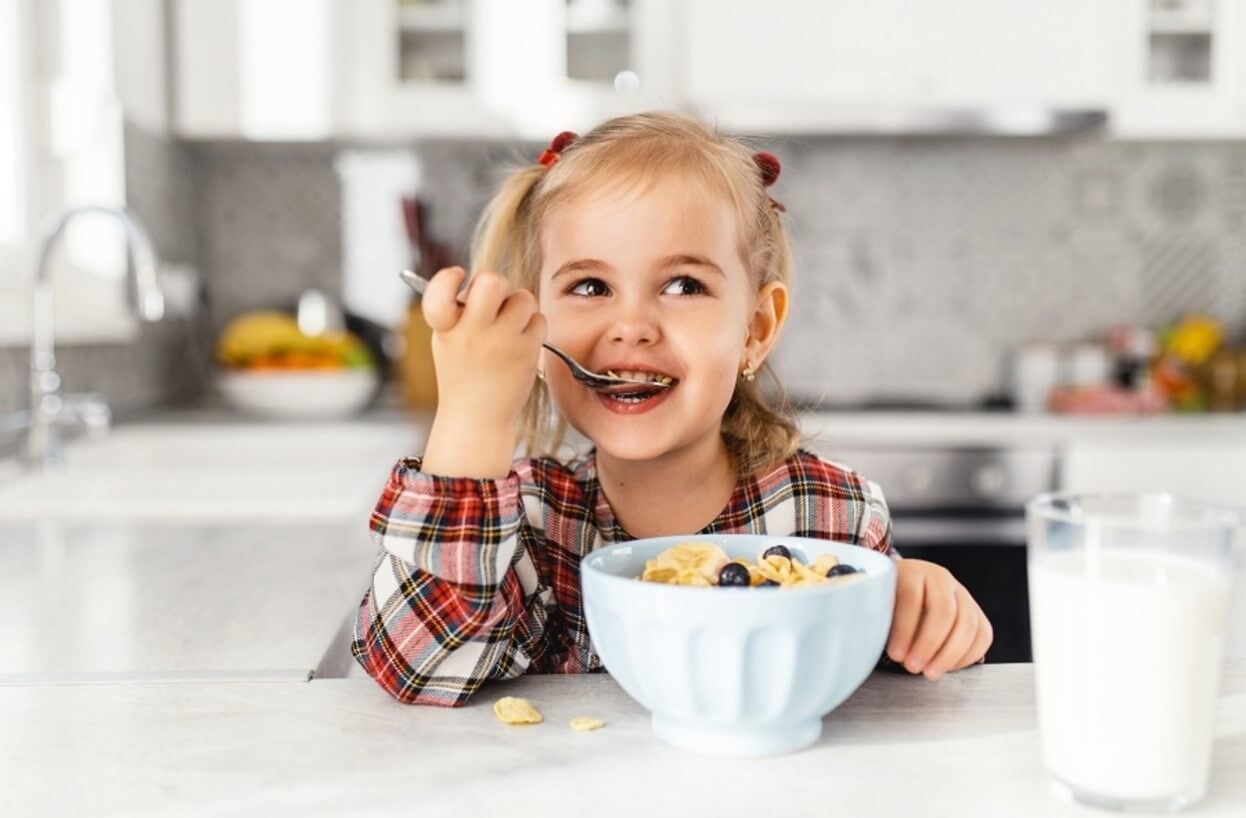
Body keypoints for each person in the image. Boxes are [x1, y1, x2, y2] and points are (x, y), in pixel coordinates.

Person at [351, 112, 992, 706]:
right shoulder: (526, 525)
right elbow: (420, 666)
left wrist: (917, 610)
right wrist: (472, 416)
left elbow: (891, 682)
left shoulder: (829, 516)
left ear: (755, 327)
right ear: (535, 332)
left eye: (683, 285)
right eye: (590, 286)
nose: (631, 326)